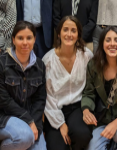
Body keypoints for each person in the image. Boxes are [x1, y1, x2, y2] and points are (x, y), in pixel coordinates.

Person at [0, 21, 47, 150]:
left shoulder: (40, 65)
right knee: (24, 137)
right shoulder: (0, 63)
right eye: (20, 38)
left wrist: (35, 122)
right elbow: (3, 100)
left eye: (29, 38)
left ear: (34, 39)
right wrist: (29, 121)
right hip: (2, 116)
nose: (25, 42)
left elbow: (40, 99)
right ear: (13, 40)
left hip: (30, 117)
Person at [81, 26, 117, 150]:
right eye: (108, 40)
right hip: (102, 119)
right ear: (102, 44)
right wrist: (86, 109)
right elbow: (88, 93)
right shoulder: (93, 65)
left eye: (116, 40)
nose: (112, 44)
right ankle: (112, 142)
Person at [42, 16, 93, 150]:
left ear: (78, 34)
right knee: (56, 147)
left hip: (78, 107)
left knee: (82, 135)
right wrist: (60, 124)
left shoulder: (86, 55)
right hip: (55, 109)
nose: (69, 34)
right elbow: (47, 96)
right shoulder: (48, 60)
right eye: (65, 30)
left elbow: (91, 85)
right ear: (59, 33)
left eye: (73, 31)